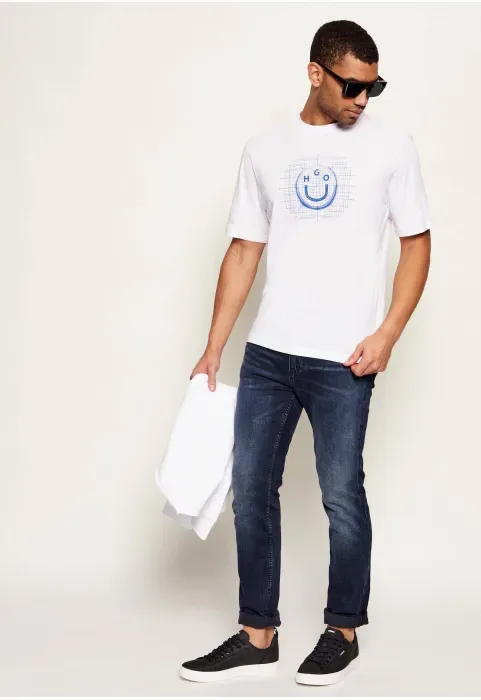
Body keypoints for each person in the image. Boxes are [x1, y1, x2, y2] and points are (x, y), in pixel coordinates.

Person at [179, 19, 431, 686]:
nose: (363, 99)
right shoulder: (265, 148)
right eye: (352, 85)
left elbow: (417, 243)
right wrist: (214, 346)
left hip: (344, 358)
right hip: (269, 352)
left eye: (374, 86)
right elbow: (244, 250)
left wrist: (387, 334)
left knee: (341, 494)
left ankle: (342, 631)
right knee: (251, 492)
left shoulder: (392, 147)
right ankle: (257, 634)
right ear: (316, 73)